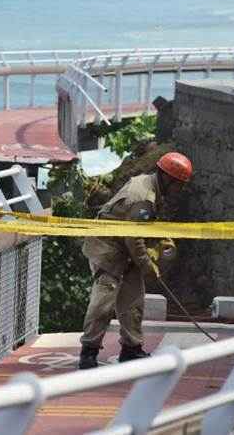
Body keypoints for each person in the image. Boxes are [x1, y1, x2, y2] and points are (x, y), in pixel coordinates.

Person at [78, 152, 192, 370]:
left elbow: (139, 229)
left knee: (133, 301)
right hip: (107, 249)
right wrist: (148, 266)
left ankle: (131, 349)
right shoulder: (143, 197)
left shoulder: (150, 187)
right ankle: (88, 353)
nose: (180, 190)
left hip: (125, 250)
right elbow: (134, 238)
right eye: (179, 185)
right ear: (168, 179)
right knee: (103, 303)